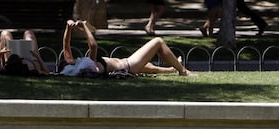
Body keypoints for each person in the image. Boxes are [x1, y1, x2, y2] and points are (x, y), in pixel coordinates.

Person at [60, 20, 194, 77]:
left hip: (126, 63)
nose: (72, 57)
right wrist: (84, 27)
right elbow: (93, 46)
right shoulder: (87, 65)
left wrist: (68, 27)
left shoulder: (78, 66)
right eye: (70, 59)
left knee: (149, 66)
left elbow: (66, 44)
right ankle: (183, 71)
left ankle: (171, 69)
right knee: (158, 42)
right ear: (70, 64)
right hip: (129, 66)